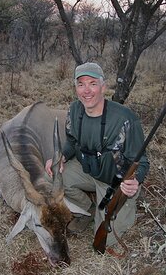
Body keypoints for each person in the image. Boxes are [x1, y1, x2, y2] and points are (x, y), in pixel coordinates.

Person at [45, 62, 149, 247]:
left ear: (103, 86)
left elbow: (141, 162)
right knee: (54, 174)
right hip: (88, 170)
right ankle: (88, 209)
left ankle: (115, 209)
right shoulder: (75, 110)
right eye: (81, 84)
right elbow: (71, 142)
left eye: (93, 83)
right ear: (75, 88)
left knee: (106, 242)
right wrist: (61, 157)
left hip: (115, 181)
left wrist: (136, 180)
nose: (87, 90)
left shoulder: (125, 119)